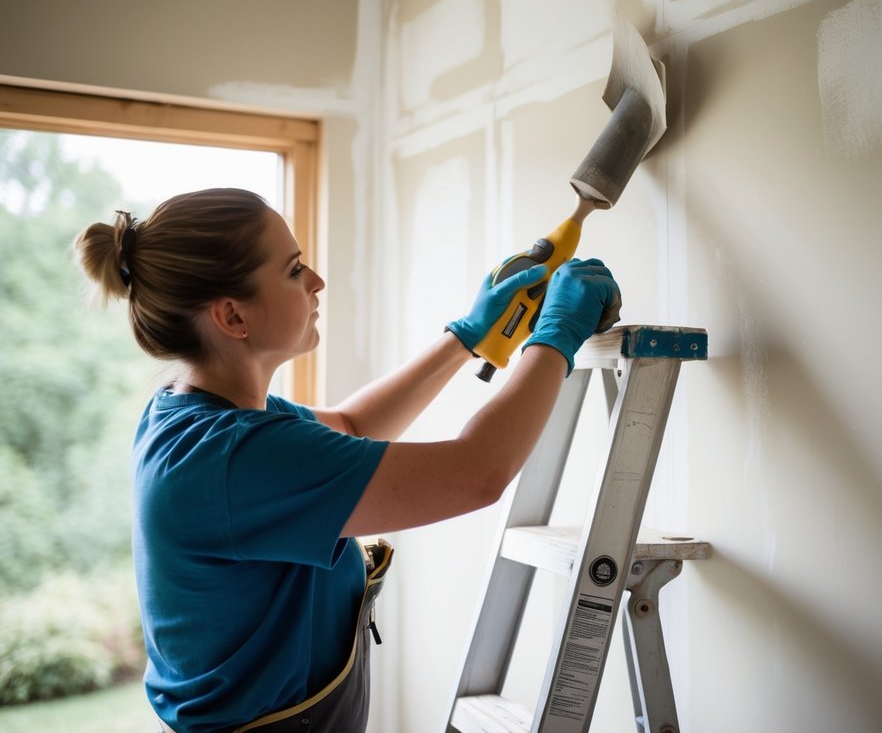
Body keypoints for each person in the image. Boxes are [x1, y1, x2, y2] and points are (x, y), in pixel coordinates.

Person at [74, 187, 620, 733]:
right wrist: (555, 338)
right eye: (293, 271)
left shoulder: (194, 414)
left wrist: (464, 336)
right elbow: (478, 473)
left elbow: (353, 426)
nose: (316, 282)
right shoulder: (235, 456)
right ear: (233, 315)